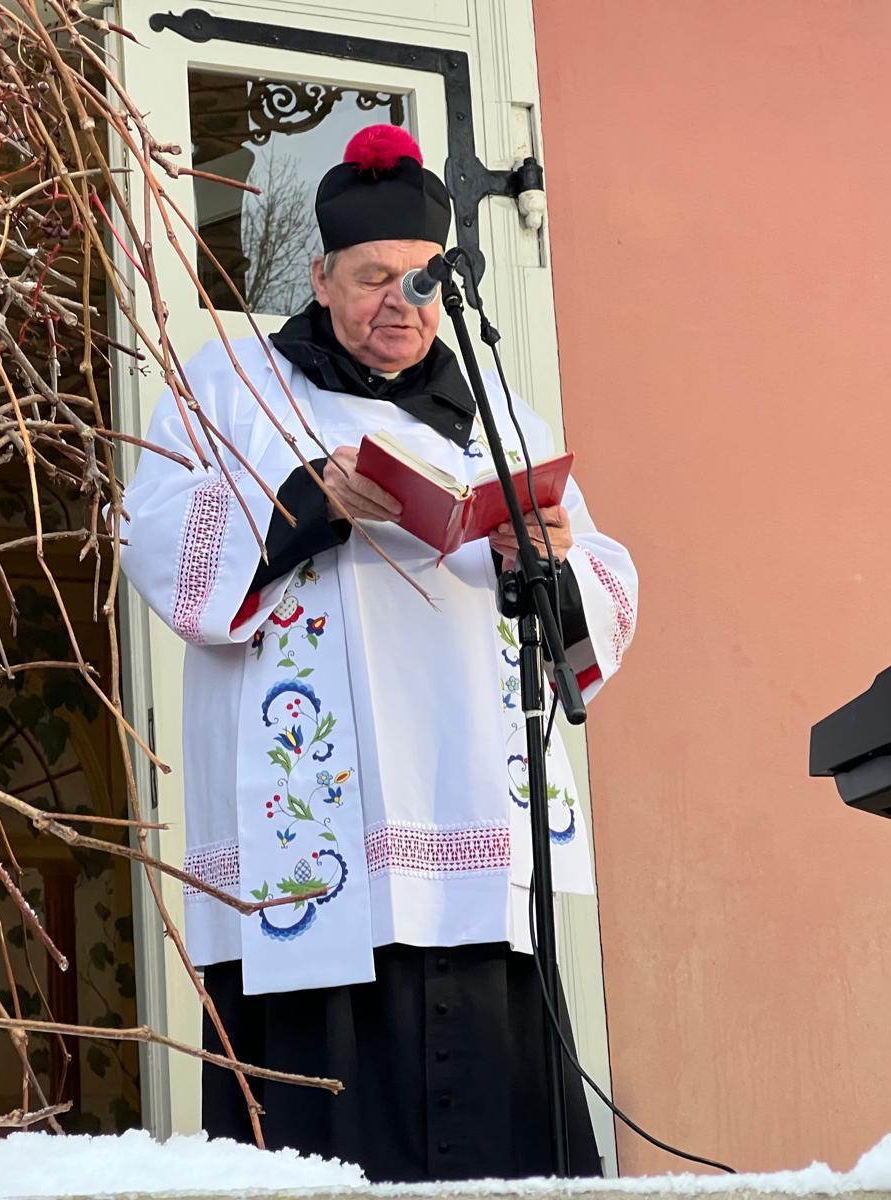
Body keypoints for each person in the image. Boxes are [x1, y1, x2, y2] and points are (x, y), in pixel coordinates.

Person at [120, 124, 638, 1182]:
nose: (398, 304)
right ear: (317, 275)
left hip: (468, 816)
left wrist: (550, 557)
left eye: (420, 282)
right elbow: (150, 533)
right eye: (369, 280)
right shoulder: (235, 386)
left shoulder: (499, 414)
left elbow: (607, 587)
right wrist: (302, 501)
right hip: (313, 831)